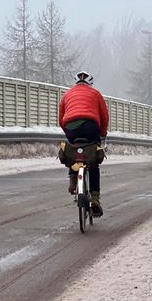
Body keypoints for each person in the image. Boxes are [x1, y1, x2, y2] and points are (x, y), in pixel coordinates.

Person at [59, 71, 110, 217]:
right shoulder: (96, 94)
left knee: (72, 147)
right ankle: (95, 198)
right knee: (93, 161)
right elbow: (104, 116)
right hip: (91, 126)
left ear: (75, 83)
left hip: (70, 127)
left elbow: (61, 118)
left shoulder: (67, 94)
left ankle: (73, 178)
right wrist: (102, 134)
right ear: (90, 84)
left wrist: (69, 132)